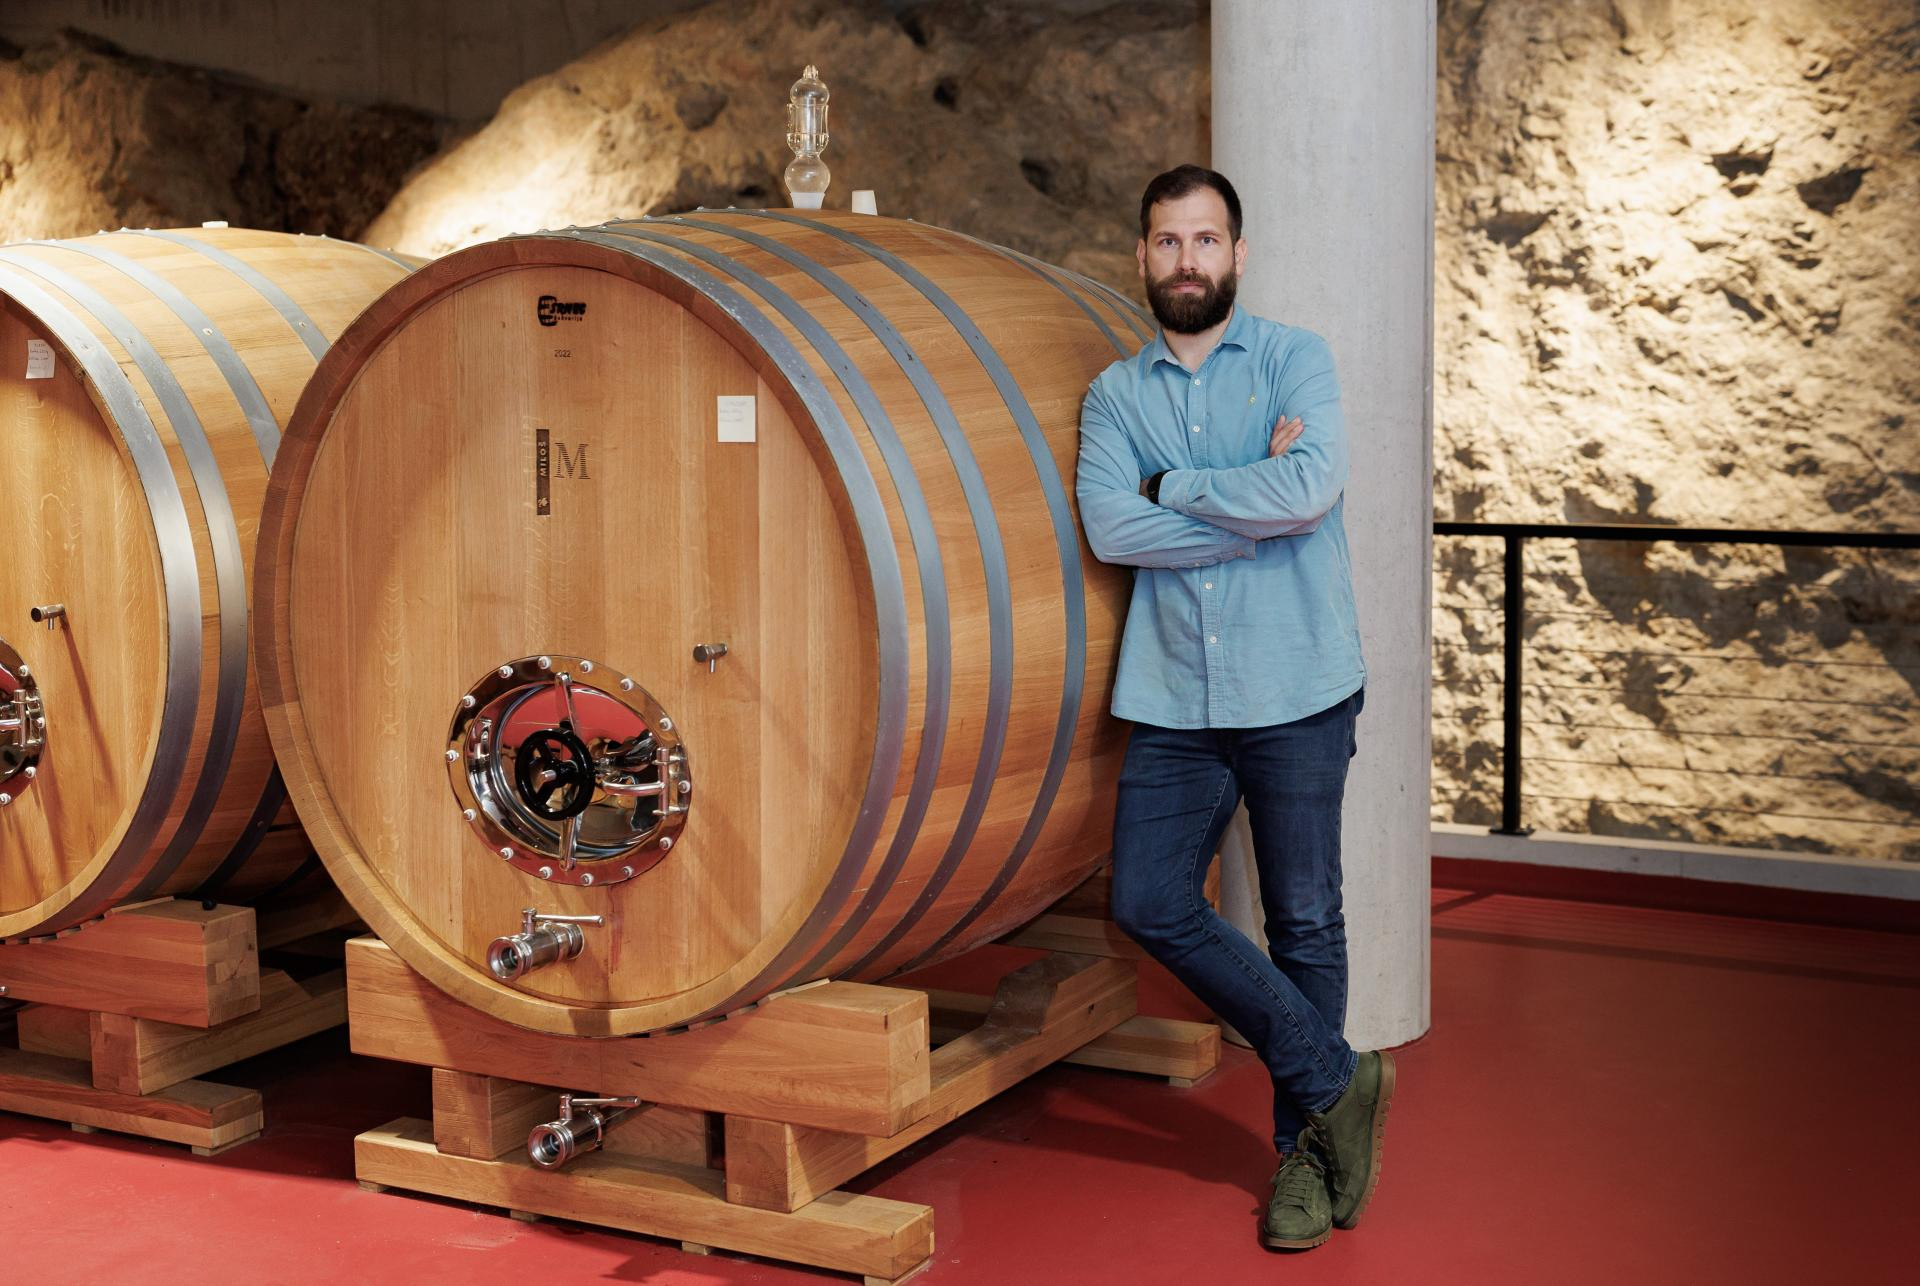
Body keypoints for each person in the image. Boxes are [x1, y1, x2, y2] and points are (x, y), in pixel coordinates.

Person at [1074, 164, 1394, 1251]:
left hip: (1299, 682)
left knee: (1305, 917)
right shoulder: (1116, 395)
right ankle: (1338, 1079)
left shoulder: (1299, 358)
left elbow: (1308, 491)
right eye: (1168, 241)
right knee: (1148, 898)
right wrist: (1251, 509)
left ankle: (1302, 1155)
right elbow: (1110, 529)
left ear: (1238, 254)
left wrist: (1172, 487)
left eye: (1205, 239)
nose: (1187, 260)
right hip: (1175, 693)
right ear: (1142, 256)